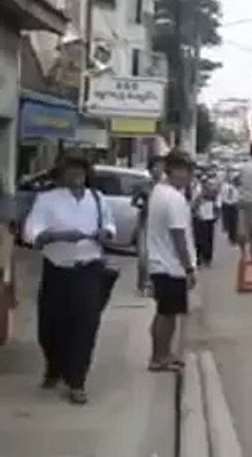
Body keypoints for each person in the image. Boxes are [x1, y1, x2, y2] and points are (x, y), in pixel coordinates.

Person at [23, 153, 117, 405]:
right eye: (71, 171)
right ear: (62, 175)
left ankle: (77, 381)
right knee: (50, 328)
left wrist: (105, 233)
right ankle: (54, 368)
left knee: (85, 326)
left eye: (81, 171)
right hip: (57, 269)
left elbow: (110, 225)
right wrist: (57, 235)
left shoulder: (96, 199)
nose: (77, 176)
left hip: (88, 269)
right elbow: (32, 232)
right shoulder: (47, 200)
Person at [145, 151, 197, 375]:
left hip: (160, 261)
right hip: (170, 265)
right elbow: (179, 236)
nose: (189, 177)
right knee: (166, 315)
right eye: (187, 172)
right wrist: (189, 268)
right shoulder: (174, 198)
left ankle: (164, 353)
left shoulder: (159, 192)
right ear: (175, 170)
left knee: (167, 313)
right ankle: (159, 357)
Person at [131, 155, 164, 295]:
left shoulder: (166, 188)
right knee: (143, 257)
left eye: (161, 167)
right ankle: (142, 284)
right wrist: (143, 206)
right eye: (155, 167)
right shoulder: (144, 186)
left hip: (160, 227)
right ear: (150, 170)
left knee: (157, 258)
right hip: (144, 225)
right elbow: (133, 202)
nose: (158, 170)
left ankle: (154, 285)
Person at [193, 180, 219, 267]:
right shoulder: (196, 190)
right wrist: (196, 213)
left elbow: (216, 204)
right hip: (200, 219)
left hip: (209, 219)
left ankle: (207, 258)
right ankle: (199, 258)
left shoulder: (212, 194)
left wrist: (216, 215)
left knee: (208, 239)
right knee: (199, 240)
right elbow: (194, 205)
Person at [219, 175, 240, 243]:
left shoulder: (238, 188)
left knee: (234, 222)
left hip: (234, 206)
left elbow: (238, 198)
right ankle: (231, 236)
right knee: (229, 221)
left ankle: (234, 238)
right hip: (227, 205)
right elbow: (221, 194)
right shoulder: (225, 186)